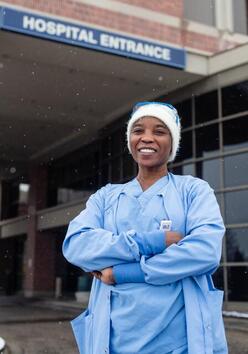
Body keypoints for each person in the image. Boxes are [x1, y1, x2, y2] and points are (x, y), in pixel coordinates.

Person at [63, 102, 228, 354]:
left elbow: (205, 252)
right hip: (114, 343)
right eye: (138, 130)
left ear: (172, 143)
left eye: (160, 131)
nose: (147, 138)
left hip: (179, 344)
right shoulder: (107, 197)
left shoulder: (193, 191)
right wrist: (151, 242)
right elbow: (75, 244)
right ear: (130, 140)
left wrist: (123, 273)